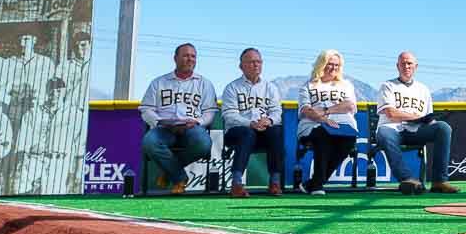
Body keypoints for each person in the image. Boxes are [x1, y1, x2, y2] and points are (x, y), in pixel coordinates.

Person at [374, 51, 458, 196]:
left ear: (416, 66)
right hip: (392, 129)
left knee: (443, 128)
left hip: (416, 131)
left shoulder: (423, 89)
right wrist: (416, 117)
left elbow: (427, 117)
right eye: (403, 63)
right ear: (397, 66)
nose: (406, 66)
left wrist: (431, 119)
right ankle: (407, 179)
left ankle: (439, 182)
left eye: (409, 63)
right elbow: (391, 113)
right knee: (384, 132)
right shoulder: (387, 86)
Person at [139, 42, 217, 194]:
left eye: (193, 56)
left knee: (203, 143)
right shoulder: (159, 82)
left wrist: (198, 122)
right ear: (175, 58)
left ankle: (170, 171)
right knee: (149, 142)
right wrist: (158, 121)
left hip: (192, 127)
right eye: (186, 55)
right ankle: (179, 177)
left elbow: (210, 111)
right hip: (164, 128)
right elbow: (146, 109)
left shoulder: (205, 84)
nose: (190, 59)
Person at [220, 48, 285, 198]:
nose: (256, 65)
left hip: (263, 131)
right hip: (237, 132)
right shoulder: (232, 88)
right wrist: (250, 123)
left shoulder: (271, 88)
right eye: (251, 62)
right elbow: (229, 115)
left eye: (258, 62)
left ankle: (275, 182)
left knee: (276, 131)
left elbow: (277, 113)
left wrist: (268, 120)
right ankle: (236, 184)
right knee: (247, 133)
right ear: (241, 66)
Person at [296, 49, 358, 194]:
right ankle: (316, 186)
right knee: (323, 135)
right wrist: (323, 120)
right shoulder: (309, 86)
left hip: (342, 126)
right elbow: (305, 110)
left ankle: (313, 183)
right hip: (313, 126)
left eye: (337, 65)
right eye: (330, 64)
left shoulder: (346, 85)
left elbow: (349, 105)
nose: (333, 68)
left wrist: (325, 111)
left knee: (348, 141)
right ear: (321, 64)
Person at [11, 78, 81, 196]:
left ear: (65, 92)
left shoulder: (75, 114)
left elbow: (80, 146)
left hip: (58, 163)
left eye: (59, 90)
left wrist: (76, 173)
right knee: (21, 193)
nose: (54, 94)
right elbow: (22, 142)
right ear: (46, 91)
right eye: (51, 90)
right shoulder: (33, 113)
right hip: (33, 161)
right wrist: (19, 168)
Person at [9, 33, 58, 103]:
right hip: (17, 103)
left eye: (26, 39)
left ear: (34, 40)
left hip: (38, 103)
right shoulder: (10, 61)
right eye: (20, 40)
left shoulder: (45, 62)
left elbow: (51, 86)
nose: (22, 43)